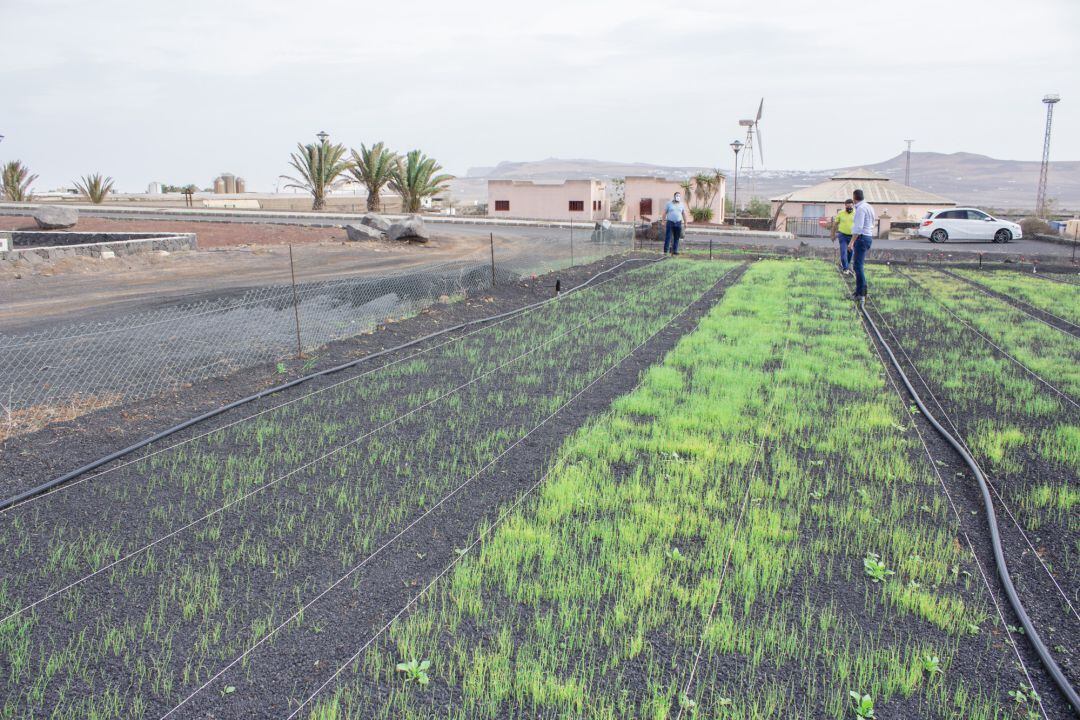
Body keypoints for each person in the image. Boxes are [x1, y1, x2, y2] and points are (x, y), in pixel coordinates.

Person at [848, 188, 876, 300]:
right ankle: (859, 292)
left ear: (854, 198)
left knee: (857, 266)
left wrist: (851, 242)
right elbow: (872, 222)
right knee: (858, 265)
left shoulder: (860, 209)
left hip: (861, 238)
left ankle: (861, 293)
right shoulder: (869, 206)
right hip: (868, 236)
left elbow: (858, 228)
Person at [831, 199, 855, 275]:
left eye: (851, 207)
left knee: (850, 252)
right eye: (848, 207)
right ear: (845, 206)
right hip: (843, 235)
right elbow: (835, 224)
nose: (849, 208)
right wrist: (833, 234)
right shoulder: (841, 213)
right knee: (844, 251)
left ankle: (845, 264)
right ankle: (845, 268)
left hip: (853, 236)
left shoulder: (856, 213)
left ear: (853, 206)